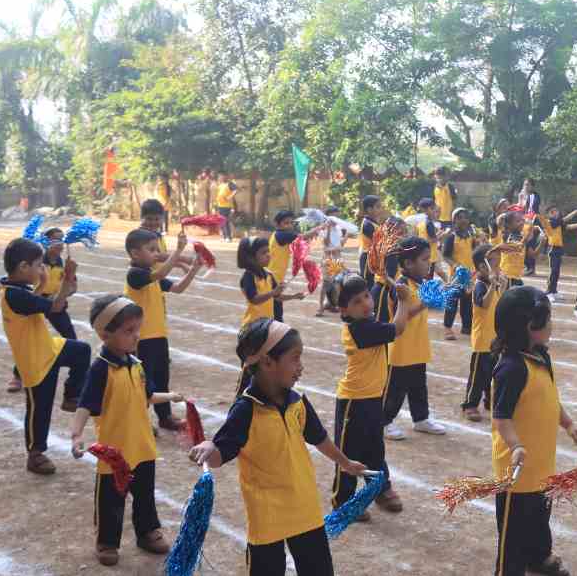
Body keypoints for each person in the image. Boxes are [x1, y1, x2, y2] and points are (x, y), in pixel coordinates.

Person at [189, 319, 367, 576]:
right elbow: (220, 455)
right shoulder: (245, 410)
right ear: (267, 362)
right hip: (267, 514)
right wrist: (209, 446)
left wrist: (345, 463)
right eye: (295, 358)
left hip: (304, 506)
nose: (300, 366)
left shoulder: (298, 402)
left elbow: (319, 438)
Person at [70, 295, 184, 566]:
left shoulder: (137, 365)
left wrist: (171, 396)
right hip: (114, 451)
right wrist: (76, 435)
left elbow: (148, 396)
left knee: (145, 493)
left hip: (142, 445)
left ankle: (147, 532)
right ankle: (107, 541)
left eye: (137, 329)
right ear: (105, 334)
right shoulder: (101, 369)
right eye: (129, 331)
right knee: (111, 497)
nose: (136, 336)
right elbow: (85, 404)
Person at [491, 286, 577, 576]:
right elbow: (501, 417)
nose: (551, 324)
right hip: (517, 473)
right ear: (529, 326)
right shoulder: (511, 368)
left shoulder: (540, 356)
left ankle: (538, 556)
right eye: (548, 319)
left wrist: (568, 424)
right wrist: (516, 445)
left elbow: (549, 397)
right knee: (514, 532)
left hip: (542, 464)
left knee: (539, 516)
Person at [0, 238, 91, 474]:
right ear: (23, 267)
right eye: (39, 265)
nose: (42, 268)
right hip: (35, 360)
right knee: (40, 408)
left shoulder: (17, 288)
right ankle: (35, 453)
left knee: (82, 350)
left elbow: (38, 302)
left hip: (49, 348)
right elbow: (55, 307)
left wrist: (43, 285)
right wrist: (68, 276)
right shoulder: (14, 295)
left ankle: (71, 395)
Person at [333, 274, 410, 517]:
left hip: (372, 398)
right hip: (353, 402)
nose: (366, 303)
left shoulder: (367, 323)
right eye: (357, 301)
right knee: (349, 454)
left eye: (367, 296)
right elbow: (398, 328)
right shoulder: (360, 328)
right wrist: (403, 301)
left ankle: (380, 489)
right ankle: (344, 502)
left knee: (375, 448)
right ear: (344, 310)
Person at [124, 228, 202, 430]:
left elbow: (178, 288)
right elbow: (160, 272)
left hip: (159, 336)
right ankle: (141, 421)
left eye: (157, 249)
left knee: (161, 379)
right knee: (144, 383)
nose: (156, 254)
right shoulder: (135, 275)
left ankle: (165, 417)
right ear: (135, 253)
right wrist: (178, 251)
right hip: (141, 339)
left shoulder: (153, 277)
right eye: (151, 250)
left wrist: (193, 270)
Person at [382, 237, 446, 439]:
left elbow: (433, 305)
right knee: (395, 389)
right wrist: (426, 302)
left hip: (418, 344)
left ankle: (421, 419)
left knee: (419, 385)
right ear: (409, 263)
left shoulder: (421, 283)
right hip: (401, 348)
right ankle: (384, 421)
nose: (429, 263)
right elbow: (403, 314)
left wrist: (444, 291)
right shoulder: (401, 285)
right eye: (425, 259)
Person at [8, 228, 77, 392]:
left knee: (71, 336)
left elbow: (73, 288)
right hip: (36, 300)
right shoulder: (38, 263)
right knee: (29, 339)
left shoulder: (64, 263)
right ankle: (17, 375)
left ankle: (76, 377)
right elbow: (29, 287)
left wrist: (66, 287)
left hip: (56, 301)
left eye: (62, 240)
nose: (60, 244)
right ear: (45, 243)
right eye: (55, 240)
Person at [464, 245, 504, 422]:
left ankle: (490, 401)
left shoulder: (492, 285)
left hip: (494, 339)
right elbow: (485, 304)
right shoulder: (479, 285)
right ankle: (470, 404)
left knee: (493, 373)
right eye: (495, 263)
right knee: (478, 376)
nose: (499, 266)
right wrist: (493, 285)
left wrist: (501, 286)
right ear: (482, 267)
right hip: (482, 341)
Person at [239, 237, 303, 327]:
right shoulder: (248, 276)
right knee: (289, 334)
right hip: (253, 324)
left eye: (268, 251)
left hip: (267, 323)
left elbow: (277, 297)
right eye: (263, 253)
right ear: (251, 256)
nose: (268, 255)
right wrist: (273, 292)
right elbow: (254, 300)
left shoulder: (268, 275)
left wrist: (294, 296)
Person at [442, 208, 477, 339]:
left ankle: (466, 326)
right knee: (452, 301)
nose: (464, 220)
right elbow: (446, 255)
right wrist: (455, 265)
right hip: (456, 276)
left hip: (469, 275)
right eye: (460, 217)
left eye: (466, 217)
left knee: (467, 302)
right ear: (454, 220)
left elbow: (474, 253)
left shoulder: (471, 237)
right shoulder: (451, 237)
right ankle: (448, 328)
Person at [268, 210, 327, 287]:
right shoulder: (281, 235)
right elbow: (303, 237)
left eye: (291, 223)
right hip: (274, 275)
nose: (290, 225)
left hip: (275, 274)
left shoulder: (279, 234)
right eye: (286, 223)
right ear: (277, 224)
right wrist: (320, 227)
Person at [540, 207, 577, 301]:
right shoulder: (550, 222)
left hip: (558, 248)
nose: (555, 213)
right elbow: (564, 220)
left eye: (556, 211)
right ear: (548, 215)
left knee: (557, 271)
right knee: (553, 271)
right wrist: (574, 212)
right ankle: (549, 292)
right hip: (552, 248)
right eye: (552, 212)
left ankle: (554, 291)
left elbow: (568, 227)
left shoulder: (558, 223)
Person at [358, 195, 384, 287]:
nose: (381, 209)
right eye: (378, 207)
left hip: (374, 258)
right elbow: (380, 243)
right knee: (368, 285)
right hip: (368, 259)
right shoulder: (368, 225)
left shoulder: (374, 223)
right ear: (369, 209)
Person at [498, 209, 527, 287]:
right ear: (509, 225)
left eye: (522, 220)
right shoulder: (508, 236)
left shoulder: (520, 236)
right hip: (508, 275)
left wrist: (542, 242)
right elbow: (517, 247)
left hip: (516, 276)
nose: (521, 223)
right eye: (517, 221)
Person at [215, 173, 238, 242]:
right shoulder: (220, 185)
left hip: (227, 206)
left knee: (225, 221)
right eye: (219, 176)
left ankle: (228, 237)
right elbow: (219, 195)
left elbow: (236, 190)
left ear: (225, 176)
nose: (220, 178)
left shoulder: (229, 183)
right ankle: (224, 237)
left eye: (221, 176)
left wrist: (229, 197)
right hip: (220, 205)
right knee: (221, 221)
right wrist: (216, 204)